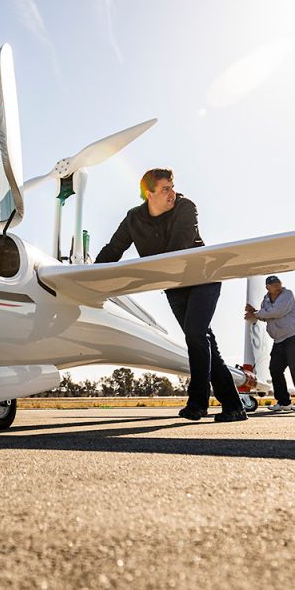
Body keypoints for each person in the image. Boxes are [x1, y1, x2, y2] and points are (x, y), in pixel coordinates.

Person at [95, 168, 246, 422]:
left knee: (195, 335)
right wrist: (89, 276)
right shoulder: (133, 218)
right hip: (174, 286)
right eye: (165, 189)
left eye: (172, 187)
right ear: (148, 193)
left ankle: (197, 404)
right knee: (204, 341)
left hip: (203, 278)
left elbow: (178, 247)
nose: (172, 193)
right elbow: (113, 249)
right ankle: (234, 406)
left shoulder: (186, 207)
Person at [245, 275, 295, 412]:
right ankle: (284, 402)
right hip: (279, 341)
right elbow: (267, 317)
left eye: (278, 283)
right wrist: (255, 313)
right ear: (267, 287)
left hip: (292, 337)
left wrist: (256, 314)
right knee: (275, 369)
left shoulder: (287, 294)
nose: (277, 286)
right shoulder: (266, 300)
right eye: (274, 284)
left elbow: (277, 312)